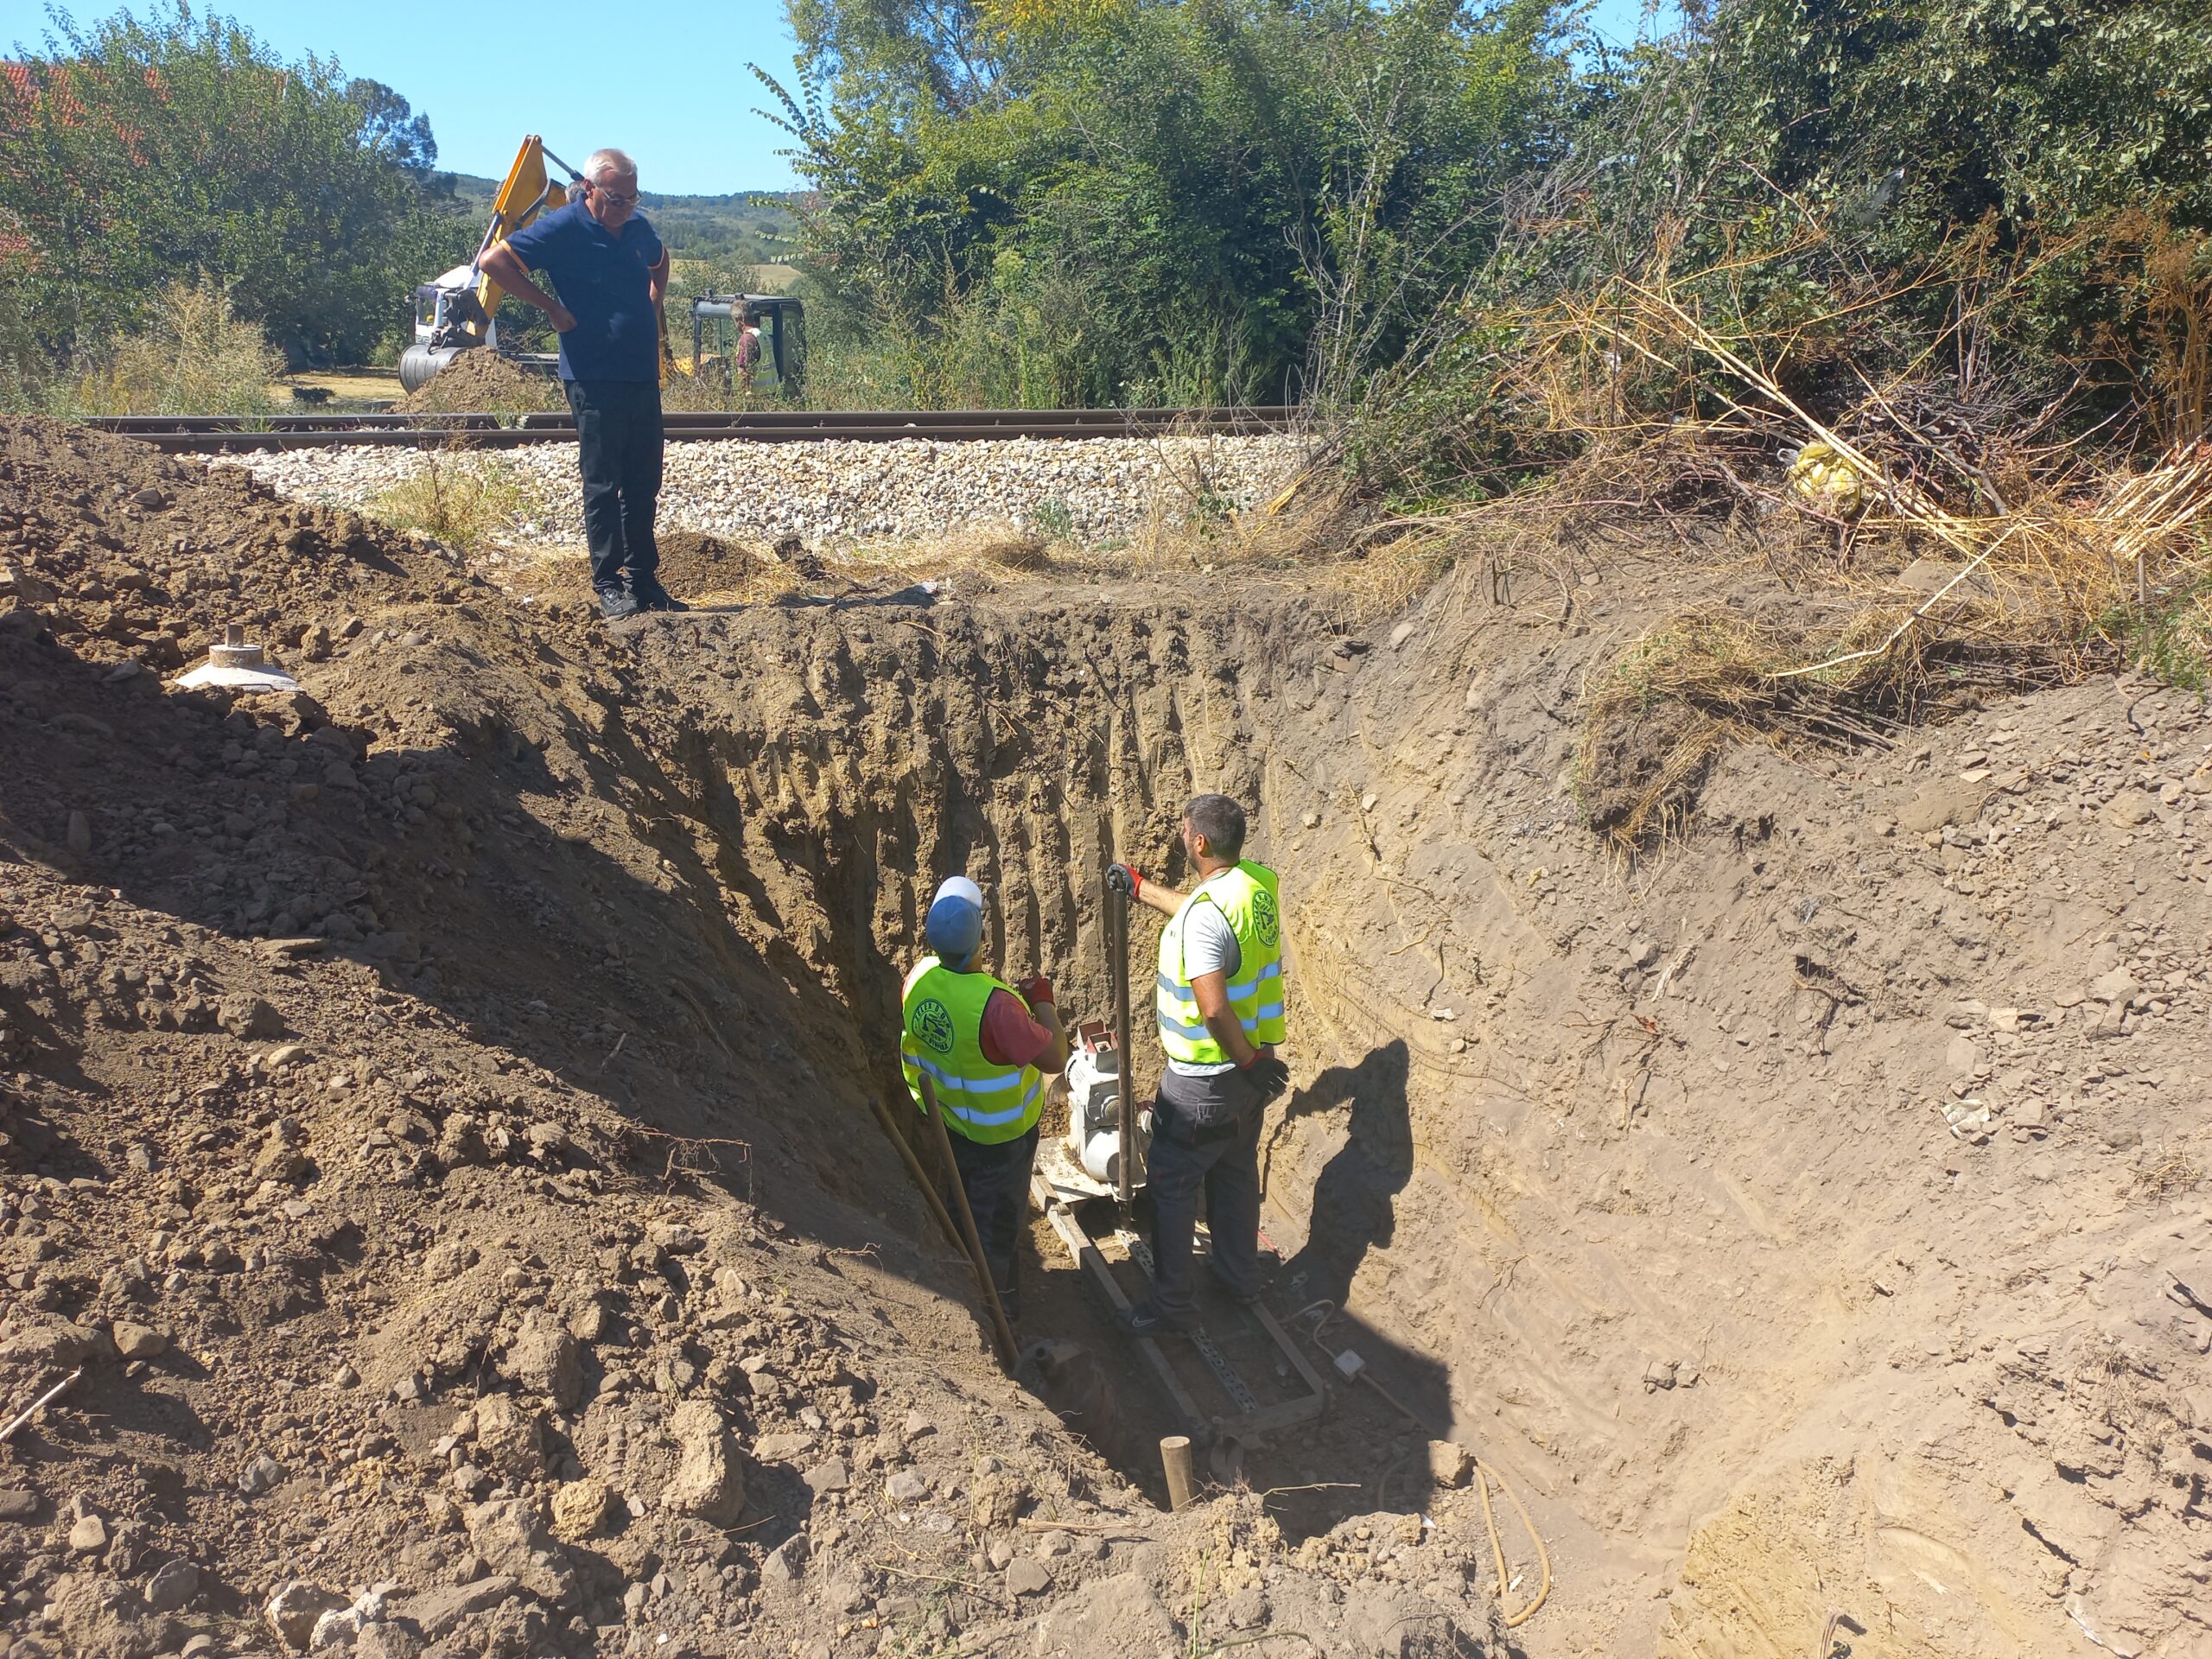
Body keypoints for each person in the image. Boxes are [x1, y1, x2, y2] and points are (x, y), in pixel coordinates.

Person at [1111, 794, 1291, 1336]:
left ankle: (1173, 1310)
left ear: (1200, 843)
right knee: (1234, 1173)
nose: (1181, 833)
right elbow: (1201, 910)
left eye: (1185, 828)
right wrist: (1141, 889)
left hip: (1204, 1082)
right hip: (1248, 1081)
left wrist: (1247, 1058)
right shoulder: (1257, 884)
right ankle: (1239, 1280)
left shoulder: (1207, 917)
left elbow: (1213, 1007)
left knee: (1171, 1190)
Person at [480, 148, 683, 621]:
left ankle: (645, 581)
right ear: (590, 190)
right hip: (592, 374)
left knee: (643, 481)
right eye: (617, 200)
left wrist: (652, 308)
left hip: (639, 373)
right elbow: (494, 262)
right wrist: (551, 308)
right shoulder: (564, 227)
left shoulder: (636, 228)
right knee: (603, 482)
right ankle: (609, 585)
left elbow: (661, 261)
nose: (626, 209)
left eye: (634, 199)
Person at [900, 875, 1068, 1325]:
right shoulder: (996, 1006)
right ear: (980, 940)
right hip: (1001, 1140)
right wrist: (1043, 1003)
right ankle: (999, 1315)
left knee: (960, 1209)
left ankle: (960, 1285)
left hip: (951, 1124)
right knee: (997, 1229)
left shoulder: (918, 979)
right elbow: (1055, 1057)